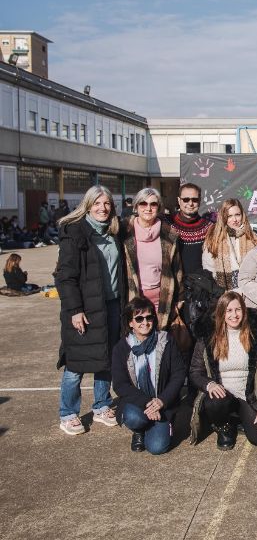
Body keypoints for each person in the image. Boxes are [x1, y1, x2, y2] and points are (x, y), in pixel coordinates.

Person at [55, 185, 125, 435]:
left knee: (106, 357)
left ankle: (102, 405)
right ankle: (68, 412)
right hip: (84, 309)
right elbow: (65, 276)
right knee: (76, 363)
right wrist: (75, 309)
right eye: (97, 203)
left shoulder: (114, 232)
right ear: (87, 206)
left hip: (112, 305)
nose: (102, 208)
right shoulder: (75, 233)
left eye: (106, 204)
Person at [189, 291, 257, 449]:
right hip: (222, 395)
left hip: (247, 396)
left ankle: (240, 418)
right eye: (229, 310)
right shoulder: (209, 337)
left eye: (238, 310)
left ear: (244, 311)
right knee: (215, 402)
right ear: (221, 313)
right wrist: (209, 384)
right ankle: (224, 428)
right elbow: (195, 372)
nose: (234, 315)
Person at [111, 297, 185, 454]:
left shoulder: (166, 341)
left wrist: (161, 401)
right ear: (130, 323)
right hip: (138, 403)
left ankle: (164, 423)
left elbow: (178, 374)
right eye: (139, 318)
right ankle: (139, 430)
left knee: (157, 447)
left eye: (149, 317)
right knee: (133, 417)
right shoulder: (121, 348)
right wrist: (148, 403)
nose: (145, 322)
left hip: (162, 403)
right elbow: (120, 384)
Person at [122, 188, 183, 333]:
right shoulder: (124, 231)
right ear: (136, 206)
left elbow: (177, 269)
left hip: (162, 301)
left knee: (159, 342)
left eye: (153, 204)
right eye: (143, 204)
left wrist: (180, 299)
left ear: (159, 207)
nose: (148, 208)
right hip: (133, 298)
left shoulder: (169, 235)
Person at [202, 199, 257, 291]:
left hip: (251, 293)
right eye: (229, 216)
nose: (235, 220)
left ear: (242, 215)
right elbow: (209, 271)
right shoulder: (214, 240)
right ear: (223, 217)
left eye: (237, 215)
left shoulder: (253, 238)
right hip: (224, 295)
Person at [169, 183, 212, 276]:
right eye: (186, 199)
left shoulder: (209, 227)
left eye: (195, 199)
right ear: (179, 200)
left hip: (201, 284)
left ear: (199, 201)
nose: (190, 203)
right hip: (175, 284)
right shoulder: (168, 224)